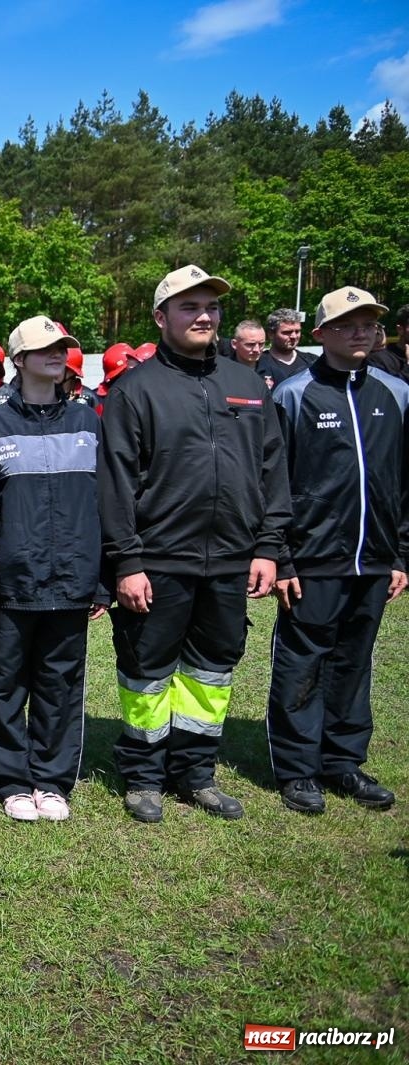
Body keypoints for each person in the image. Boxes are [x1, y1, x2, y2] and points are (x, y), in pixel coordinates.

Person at [98, 265, 290, 823]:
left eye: (210, 306)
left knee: (212, 671)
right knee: (147, 671)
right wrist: (128, 561)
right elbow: (116, 483)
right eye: (188, 307)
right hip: (158, 562)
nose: (203, 315)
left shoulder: (248, 384)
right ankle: (143, 775)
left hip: (232, 558)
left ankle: (196, 773)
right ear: (161, 318)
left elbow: (272, 470)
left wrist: (267, 547)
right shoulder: (136, 389)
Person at [267, 286, 408, 814]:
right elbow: (273, 484)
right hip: (312, 560)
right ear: (320, 333)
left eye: (370, 323)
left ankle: (344, 761)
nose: (361, 332)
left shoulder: (397, 393)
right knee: (303, 662)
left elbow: (404, 482)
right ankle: (298, 768)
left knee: (354, 661)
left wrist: (401, 556)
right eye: (348, 324)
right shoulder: (294, 395)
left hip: (375, 558)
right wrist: (281, 557)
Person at [0, 317, 105, 822]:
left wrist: (101, 578)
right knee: (5, 682)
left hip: (73, 578)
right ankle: (11, 780)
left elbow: (104, 501)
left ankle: (51, 780)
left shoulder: (88, 420)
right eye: (47, 349)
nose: (59, 354)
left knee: (61, 682)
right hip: (12, 580)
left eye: (63, 348)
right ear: (20, 359)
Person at [259, 309, 315, 388]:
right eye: (287, 332)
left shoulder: (312, 362)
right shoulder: (259, 364)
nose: (294, 336)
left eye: (297, 331)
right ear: (271, 334)